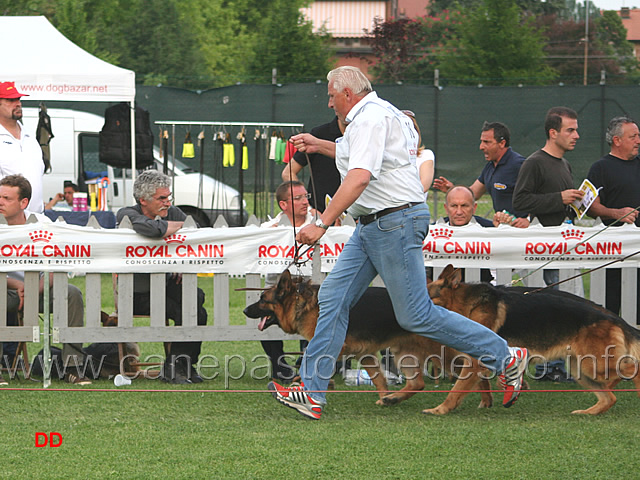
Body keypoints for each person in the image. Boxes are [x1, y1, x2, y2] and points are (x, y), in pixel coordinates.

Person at [267, 66, 528, 420]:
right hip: (375, 224)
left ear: (347, 94)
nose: (329, 103)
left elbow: (359, 176)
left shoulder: (370, 118)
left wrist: (322, 223)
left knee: (416, 315)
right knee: (331, 297)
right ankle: (312, 393)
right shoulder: (379, 114)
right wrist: (319, 145)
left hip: (394, 222)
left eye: (331, 96)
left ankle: (506, 357)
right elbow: (357, 154)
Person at [115, 170, 208, 384]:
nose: (168, 203)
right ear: (143, 200)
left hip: (166, 284)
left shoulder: (172, 212)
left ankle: (183, 364)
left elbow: (197, 232)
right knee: (186, 310)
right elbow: (150, 229)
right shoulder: (126, 214)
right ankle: (175, 367)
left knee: (197, 300)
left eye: (169, 197)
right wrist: (178, 227)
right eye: (161, 198)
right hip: (136, 294)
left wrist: (181, 265)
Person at [513, 106, 584, 382]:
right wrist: (559, 198)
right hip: (546, 250)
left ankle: (561, 365)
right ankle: (547, 366)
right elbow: (520, 202)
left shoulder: (564, 164)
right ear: (553, 133)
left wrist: (577, 203)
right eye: (570, 130)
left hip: (566, 247)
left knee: (568, 305)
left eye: (576, 129)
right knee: (553, 308)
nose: (576, 135)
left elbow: (562, 201)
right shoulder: (535, 162)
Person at [0, 174, 91, 385]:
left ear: (23, 203)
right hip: (7, 289)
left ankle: (72, 366)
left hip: (38, 290)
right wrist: (18, 285)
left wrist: (33, 289)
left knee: (72, 293)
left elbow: (59, 264)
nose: (0, 202)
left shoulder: (42, 223)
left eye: (6, 198)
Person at [587, 116, 640, 325]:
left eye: (638, 136)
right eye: (633, 136)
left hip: (638, 250)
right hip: (612, 252)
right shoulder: (600, 168)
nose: (638, 140)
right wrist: (616, 213)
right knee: (609, 312)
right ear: (617, 140)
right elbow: (591, 207)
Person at [260, 181, 315, 381]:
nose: (304, 202)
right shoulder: (268, 229)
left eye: (305, 196)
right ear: (283, 205)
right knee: (265, 316)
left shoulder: (320, 222)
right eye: (298, 198)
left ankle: (307, 364)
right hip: (278, 290)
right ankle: (279, 366)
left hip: (310, 290)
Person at [434, 121, 529, 227]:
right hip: (503, 228)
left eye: (487, 142)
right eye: (481, 142)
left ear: (502, 143)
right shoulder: (490, 167)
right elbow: (474, 193)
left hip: (524, 234)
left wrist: (529, 220)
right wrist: (453, 189)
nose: (481, 147)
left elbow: (541, 195)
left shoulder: (519, 165)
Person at [281, 116, 345, 214]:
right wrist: (308, 208)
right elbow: (288, 173)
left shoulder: (366, 135)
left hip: (358, 218)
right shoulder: (320, 134)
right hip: (320, 215)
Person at [0, 82, 45, 213]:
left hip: (35, 217)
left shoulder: (29, 136)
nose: (18, 103)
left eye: (18, 99)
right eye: (10, 100)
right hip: (6, 221)